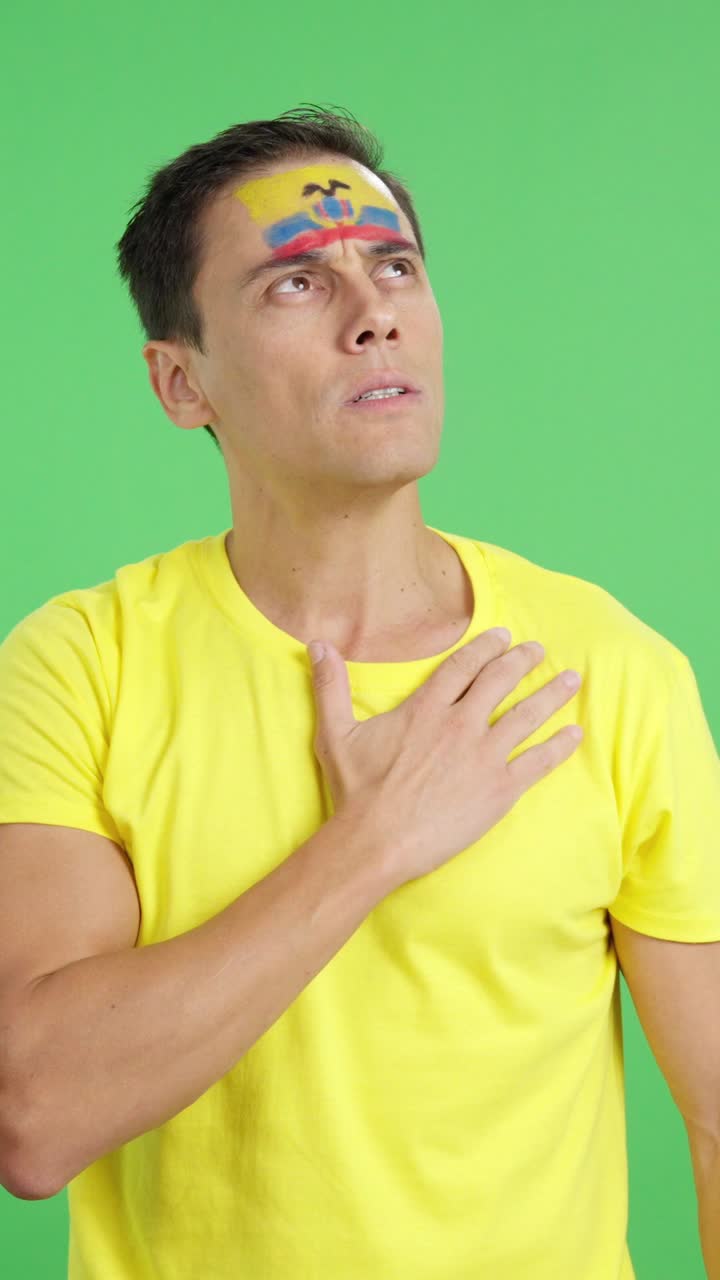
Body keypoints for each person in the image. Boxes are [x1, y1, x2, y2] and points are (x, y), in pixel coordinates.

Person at [1, 105, 719, 1280]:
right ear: (182, 383)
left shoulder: (612, 668)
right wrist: (376, 840)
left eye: (394, 267)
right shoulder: (81, 662)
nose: (374, 311)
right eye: (295, 284)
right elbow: (33, 1115)